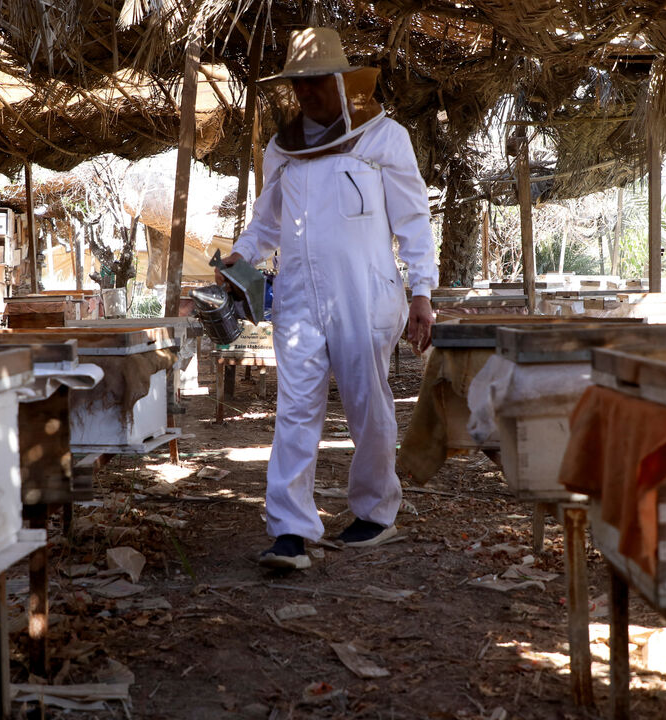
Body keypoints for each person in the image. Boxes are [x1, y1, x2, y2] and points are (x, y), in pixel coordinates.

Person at [218, 27, 438, 570]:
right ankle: (291, 531)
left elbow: (413, 220)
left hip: (366, 295)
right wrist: (239, 258)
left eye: (315, 82)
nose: (305, 94)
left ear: (342, 83)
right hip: (296, 300)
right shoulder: (282, 149)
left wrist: (422, 292)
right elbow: (266, 223)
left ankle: (376, 512)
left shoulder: (385, 139)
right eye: (298, 84)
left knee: (368, 405)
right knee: (295, 410)